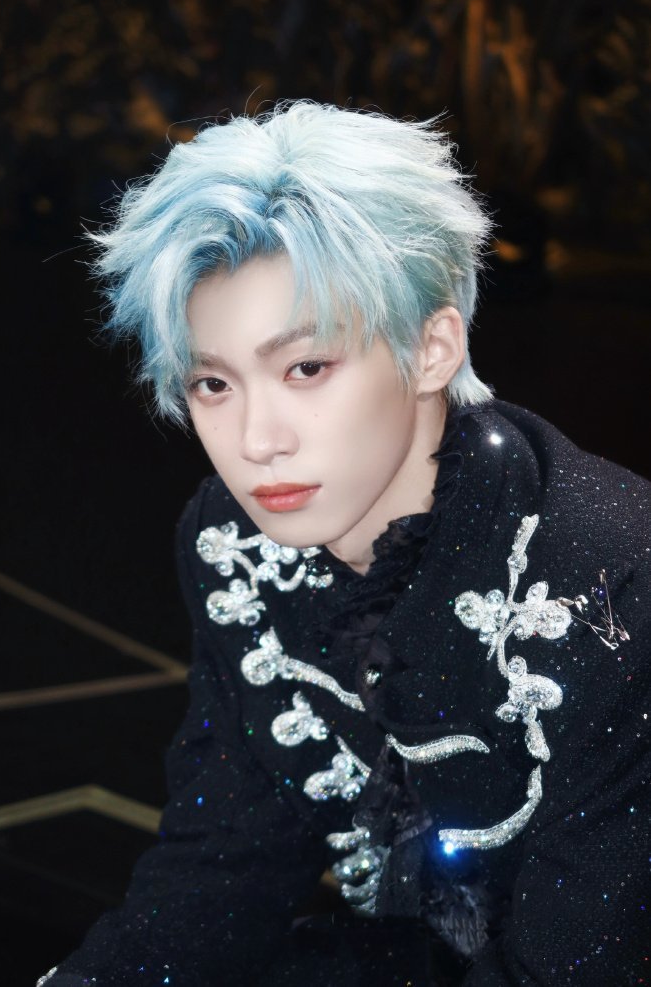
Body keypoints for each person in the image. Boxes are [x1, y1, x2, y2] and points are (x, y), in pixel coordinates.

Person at [38, 102, 650, 987]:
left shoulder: (611, 584)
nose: (257, 441)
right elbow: (221, 863)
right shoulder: (230, 544)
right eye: (213, 383)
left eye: (306, 368)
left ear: (433, 346)